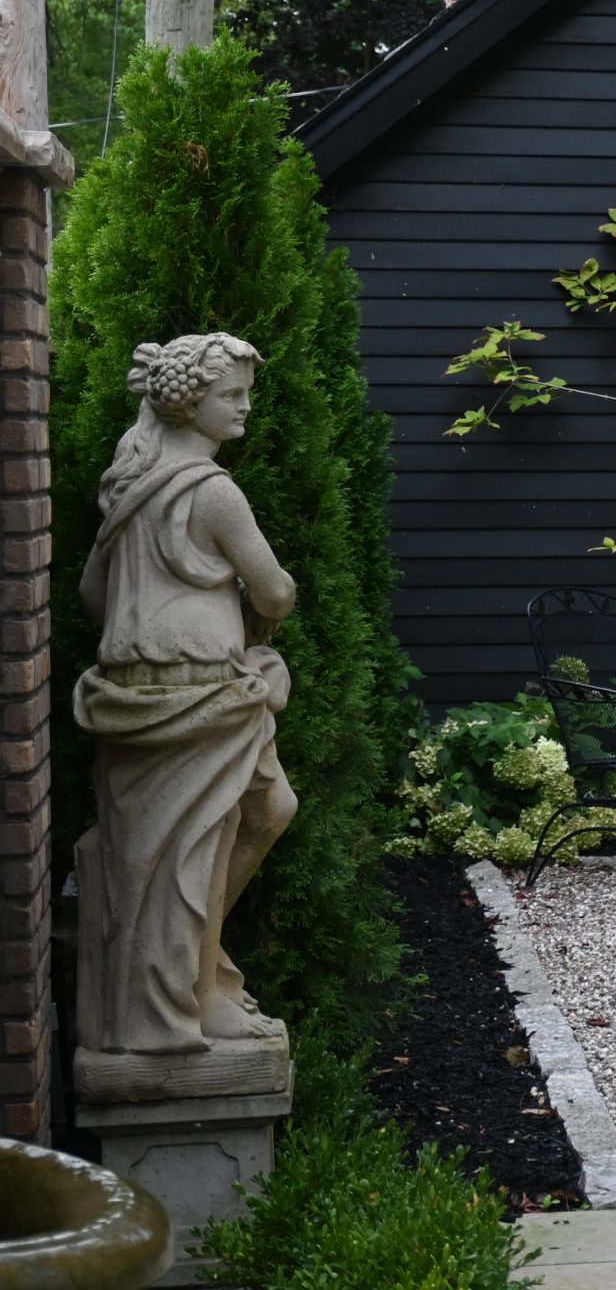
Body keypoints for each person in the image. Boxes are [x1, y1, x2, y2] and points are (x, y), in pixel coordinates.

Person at [74, 332, 297, 1084]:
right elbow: (274, 592)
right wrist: (245, 604)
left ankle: (193, 978)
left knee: (253, 817)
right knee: (200, 844)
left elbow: (91, 596)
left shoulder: (131, 483)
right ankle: (190, 994)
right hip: (199, 692)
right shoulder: (210, 489)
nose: (244, 408)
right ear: (188, 401)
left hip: (148, 689)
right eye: (231, 395)